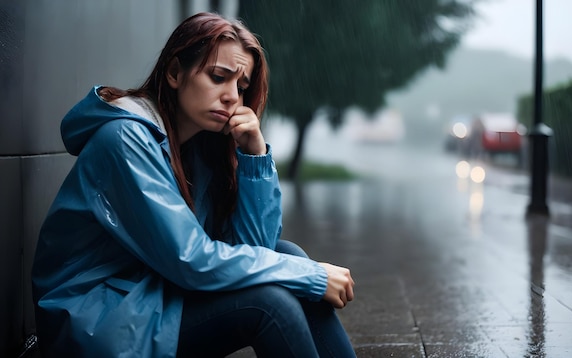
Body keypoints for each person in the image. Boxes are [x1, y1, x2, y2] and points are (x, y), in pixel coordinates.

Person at [31, 12, 356, 358]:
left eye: (241, 87)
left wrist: (254, 155)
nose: (233, 97)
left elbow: (257, 247)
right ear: (174, 73)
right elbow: (191, 261)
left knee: (287, 254)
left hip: (152, 294)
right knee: (272, 302)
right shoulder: (125, 139)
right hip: (98, 319)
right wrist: (310, 275)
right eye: (219, 77)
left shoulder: (200, 148)